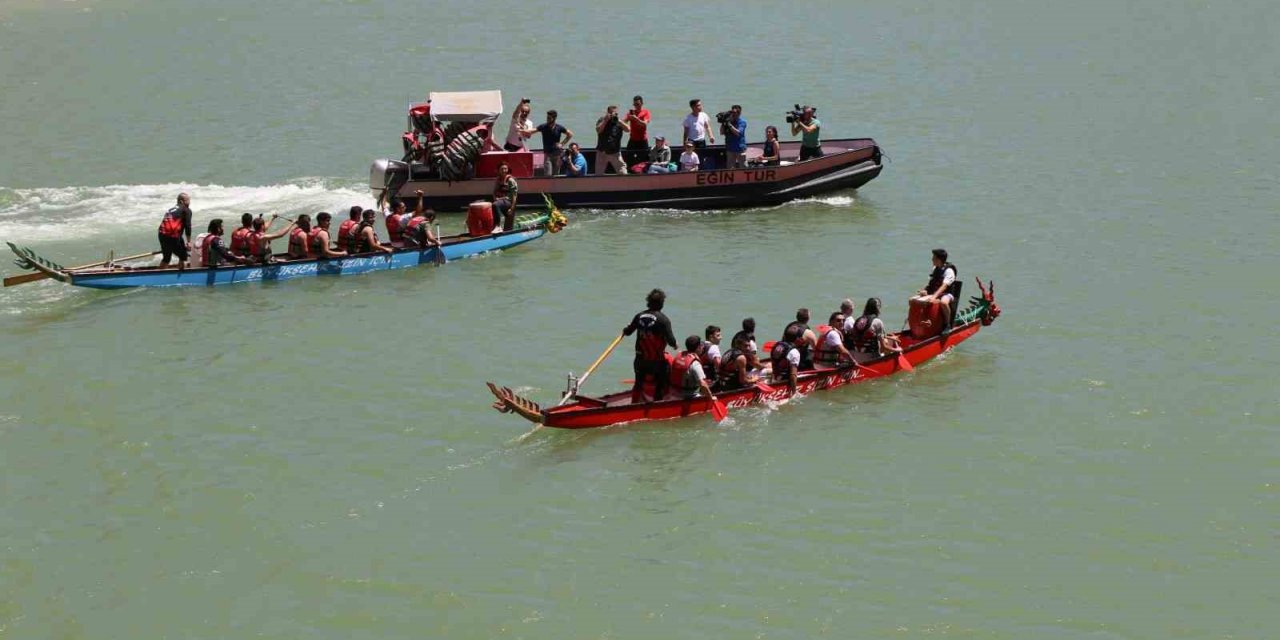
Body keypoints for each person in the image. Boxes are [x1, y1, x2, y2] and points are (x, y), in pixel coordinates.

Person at [623, 288, 678, 403]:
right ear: (662, 303)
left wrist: (626, 328)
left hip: (640, 360)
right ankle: (657, 403)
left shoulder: (639, 316)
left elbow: (627, 332)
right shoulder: (663, 320)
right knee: (663, 380)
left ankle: (633, 404)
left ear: (648, 302)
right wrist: (675, 345)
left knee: (638, 383)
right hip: (657, 362)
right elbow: (671, 341)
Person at [915, 248, 958, 330]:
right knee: (913, 300)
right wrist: (925, 291)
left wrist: (934, 296)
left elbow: (944, 286)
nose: (932, 259)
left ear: (939, 259)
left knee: (943, 303)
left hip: (947, 294)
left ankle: (947, 324)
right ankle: (919, 324)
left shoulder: (949, 271)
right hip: (935, 293)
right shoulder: (935, 269)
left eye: (933, 257)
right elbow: (931, 284)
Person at [669, 335, 718, 401]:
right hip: (689, 395)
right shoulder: (695, 364)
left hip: (674, 392)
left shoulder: (679, 355)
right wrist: (711, 397)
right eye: (701, 345)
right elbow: (703, 384)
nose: (703, 347)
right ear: (698, 348)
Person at [157, 192, 193, 269]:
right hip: (172, 236)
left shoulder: (170, 210)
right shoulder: (186, 210)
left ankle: (159, 275)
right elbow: (188, 226)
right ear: (181, 201)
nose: (189, 202)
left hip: (162, 235)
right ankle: (181, 274)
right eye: (188, 200)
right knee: (183, 256)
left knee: (166, 258)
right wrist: (189, 242)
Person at [535, 110, 573, 175]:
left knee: (556, 175)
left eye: (549, 118)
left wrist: (562, 144)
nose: (547, 119)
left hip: (557, 154)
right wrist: (523, 130)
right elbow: (532, 130)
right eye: (547, 118)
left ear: (554, 118)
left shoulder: (559, 127)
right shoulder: (543, 127)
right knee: (548, 175)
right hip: (548, 155)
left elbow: (570, 134)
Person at [594, 105, 630, 175]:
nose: (614, 115)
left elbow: (628, 129)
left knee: (623, 173)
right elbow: (598, 130)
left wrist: (619, 121)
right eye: (612, 113)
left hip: (615, 152)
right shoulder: (602, 120)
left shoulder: (619, 121)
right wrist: (605, 120)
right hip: (602, 152)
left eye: (616, 113)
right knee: (598, 175)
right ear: (608, 113)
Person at [770, 324, 803, 394]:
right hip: (784, 381)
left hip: (775, 378)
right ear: (797, 339)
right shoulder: (794, 352)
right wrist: (794, 393)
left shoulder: (776, 345)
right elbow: (793, 375)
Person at [623, 95, 652, 165]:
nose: (636, 106)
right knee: (628, 157)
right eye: (635, 104)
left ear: (642, 104)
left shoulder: (646, 112)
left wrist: (636, 119)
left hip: (642, 139)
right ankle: (630, 172)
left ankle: (642, 173)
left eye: (638, 104)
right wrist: (627, 119)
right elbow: (623, 122)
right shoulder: (631, 113)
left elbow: (644, 124)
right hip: (633, 139)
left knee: (643, 159)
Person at [491, 161, 519, 231]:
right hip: (501, 202)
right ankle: (494, 226)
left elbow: (514, 195)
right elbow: (494, 192)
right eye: (502, 169)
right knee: (508, 228)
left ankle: (498, 226)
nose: (504, 171)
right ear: (498, 170)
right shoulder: (498, 180)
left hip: (509, 202)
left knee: (495, 205)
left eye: (505, 169)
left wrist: (511, 208)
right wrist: (495, 198)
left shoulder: (510, 180)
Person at [722, 105, 747, 169]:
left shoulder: (742, 122)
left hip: (739, 148)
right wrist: (723, 122)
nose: (733, 114)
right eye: (732, 112)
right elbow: (722, 132)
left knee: (743, 167)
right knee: (729, 168)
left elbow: (738, 133)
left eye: (735, 112)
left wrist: (729, 125)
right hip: (730, 148)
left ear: (739, 113)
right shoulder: (728, 121)